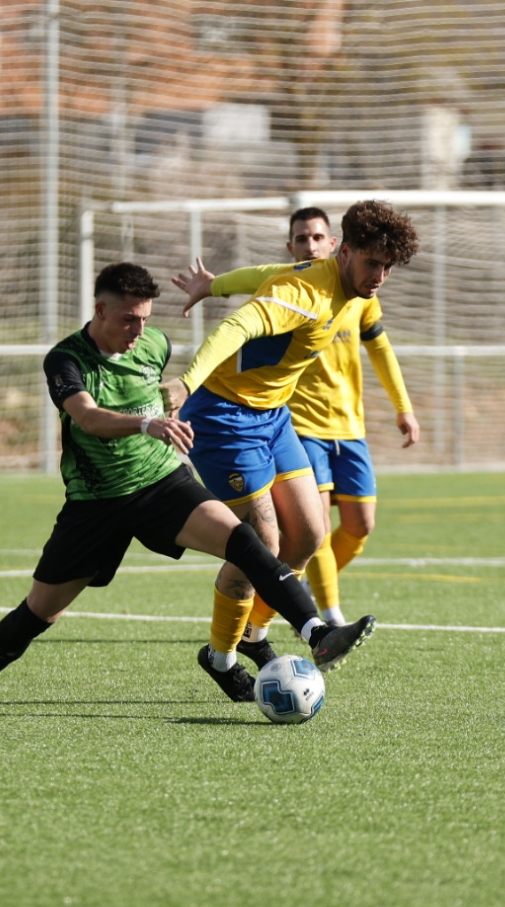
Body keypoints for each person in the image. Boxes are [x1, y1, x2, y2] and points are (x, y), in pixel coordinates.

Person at [0, 262, 376, 710]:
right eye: (129, 319)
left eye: (145, 319)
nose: (138, 330)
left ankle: (316, 633)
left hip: (160, 483)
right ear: (101, 310)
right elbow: (87, 418)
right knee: (40, 611)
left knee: (247, 542)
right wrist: (146, 425)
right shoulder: (66, 359)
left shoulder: (156, 345)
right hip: (97, 503)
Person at [158, 200, 418, 702]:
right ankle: (220, 656)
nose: (380, 276)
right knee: (263, 542)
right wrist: (188, 383)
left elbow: (261, 271)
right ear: (346, 252)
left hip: (274, 418)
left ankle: (254, 633)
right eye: (372, 264)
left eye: (388, 267)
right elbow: (238, 326)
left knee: (311, 535)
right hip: (224, 417)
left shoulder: (335, 278)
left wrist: (211, 285)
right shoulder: (305, 292)